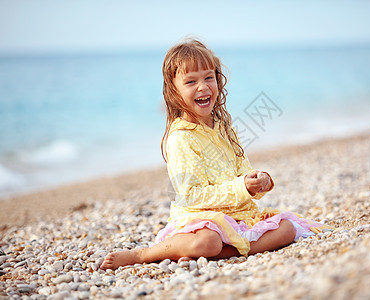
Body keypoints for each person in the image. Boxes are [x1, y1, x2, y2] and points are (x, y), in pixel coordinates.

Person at [100, 39, 333, 270]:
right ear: (173, 91)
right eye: (190, 81)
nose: (202, 87)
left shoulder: (225, 129)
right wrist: (241, 187)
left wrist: (259, 180)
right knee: (209, 240)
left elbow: (243, 171)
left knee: (286, 229)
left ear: (218, 81)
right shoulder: (181, 137)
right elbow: (190, 196)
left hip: (238, 216)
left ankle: (225, 250)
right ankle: (144, 254)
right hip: (200, 220)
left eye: (208, 78)